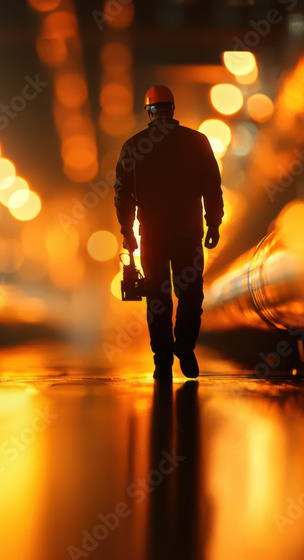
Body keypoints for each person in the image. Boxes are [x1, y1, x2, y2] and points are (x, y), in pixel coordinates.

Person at [113, 85, 223, 380]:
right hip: (188, 236)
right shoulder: (197, 142)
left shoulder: (134, 146)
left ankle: (162, 360)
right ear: (173, 109)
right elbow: (212, 186)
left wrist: (128, 232)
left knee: (158, 300)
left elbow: (124, 195)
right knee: (190, 296)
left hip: (153, 237)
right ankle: (184, 348)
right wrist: (213, 223)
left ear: (148, 111)